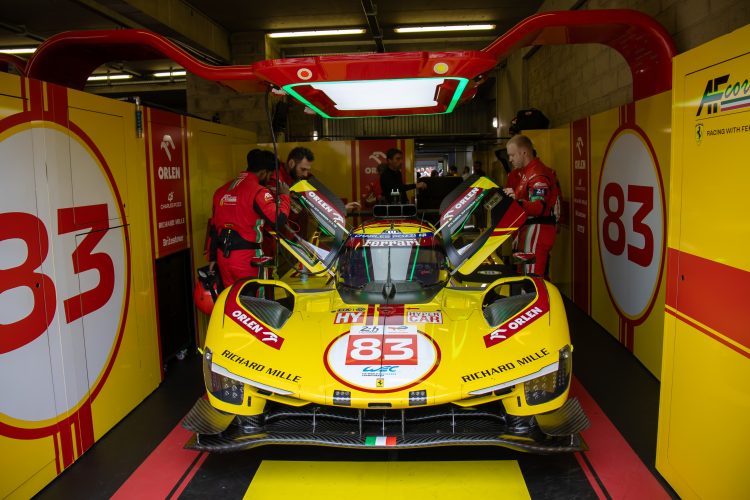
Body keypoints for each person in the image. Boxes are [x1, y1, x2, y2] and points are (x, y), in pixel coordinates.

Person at [209, 149, 291, 287]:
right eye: (269, 175)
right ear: (263, 172)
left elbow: (213, 228)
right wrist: (285, 196)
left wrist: (212, 258)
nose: (269, 180)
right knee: (253, 298)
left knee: (230, 297)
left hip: (223, 257)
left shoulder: (221, 190)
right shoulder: (258, 191)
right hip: (248, 259)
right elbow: (279, 220)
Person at [504, 134, 560, 279]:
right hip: (527, 232)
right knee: (524, 277)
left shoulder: (537, 174)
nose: (510, 159)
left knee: (532, 281)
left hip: (537, 233)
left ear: (524, 153)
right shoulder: (526, 172)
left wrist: (516, 201)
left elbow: (538, 207)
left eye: (512, 155)